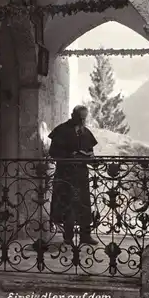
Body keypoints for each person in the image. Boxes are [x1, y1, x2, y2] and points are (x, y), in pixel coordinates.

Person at [48, 105, 98, 245]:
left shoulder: (86, 132)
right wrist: (70, 156)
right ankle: (68, 237)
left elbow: (90, 152)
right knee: (67, 205)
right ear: (73, 115)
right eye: (80, 117)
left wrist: (90, 157)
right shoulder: (61, 130)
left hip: (81, 175)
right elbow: (53, 152)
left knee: (83, 205)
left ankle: (85, 236)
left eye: (84, 118)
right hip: (65, 174)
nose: (82, 121)